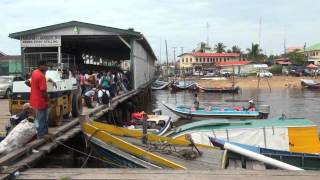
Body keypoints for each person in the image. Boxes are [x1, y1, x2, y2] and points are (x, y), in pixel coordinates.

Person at [30, 60, 49, 138]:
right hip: (41, 101)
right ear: (41, 66)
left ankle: (41, 132)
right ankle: (41, 135)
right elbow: (43, 91)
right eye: (45, 65)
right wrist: (48, 100)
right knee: (42, 118)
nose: (47, 67)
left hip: (34, 100)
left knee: (38, 119)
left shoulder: (34, 72)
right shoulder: (41, 76)